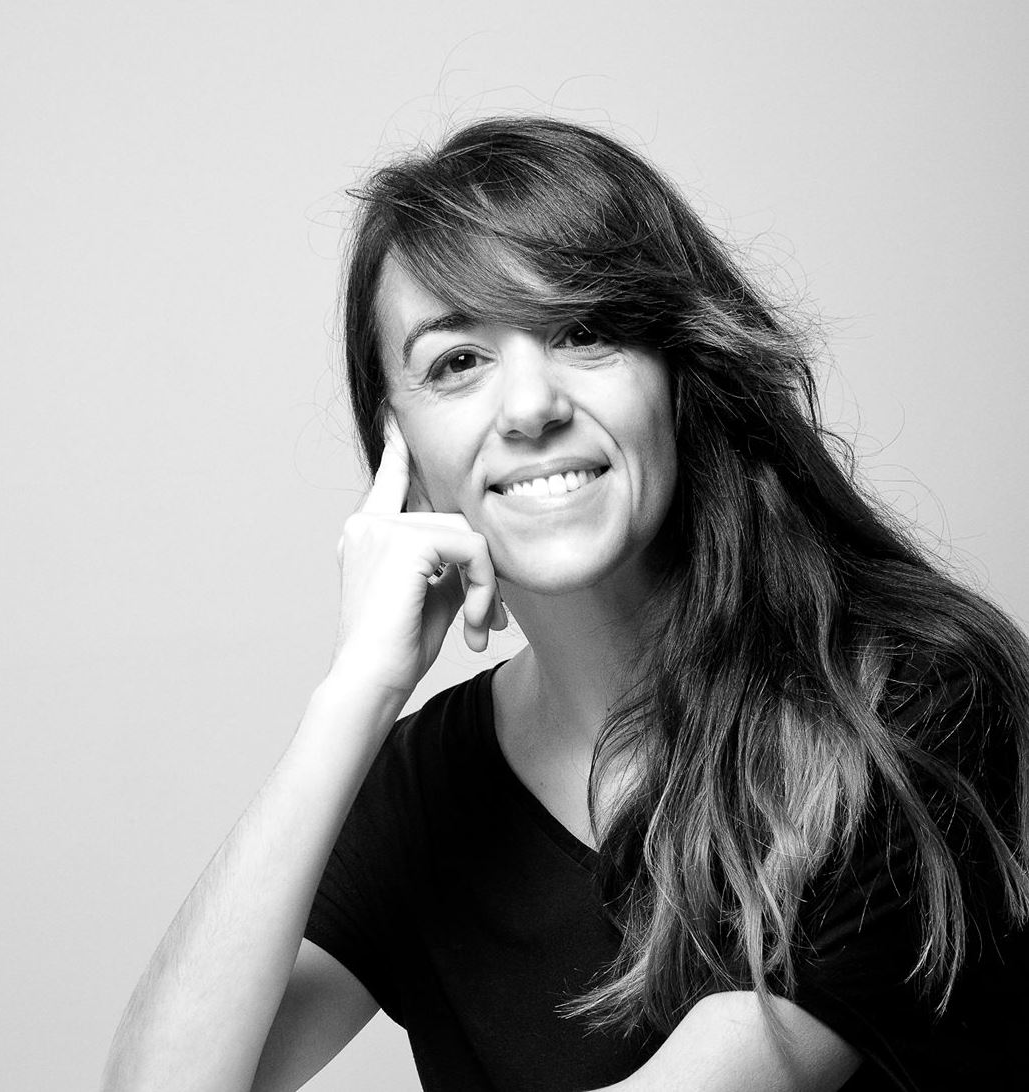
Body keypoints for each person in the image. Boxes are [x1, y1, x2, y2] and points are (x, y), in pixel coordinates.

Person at [100, 117, 1029, 1092]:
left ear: (680, 374)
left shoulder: (908, 705)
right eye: (457, 363)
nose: (529, 406)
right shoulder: (431, 788)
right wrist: (352, 698)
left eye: (584, 332)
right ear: (400, 450)